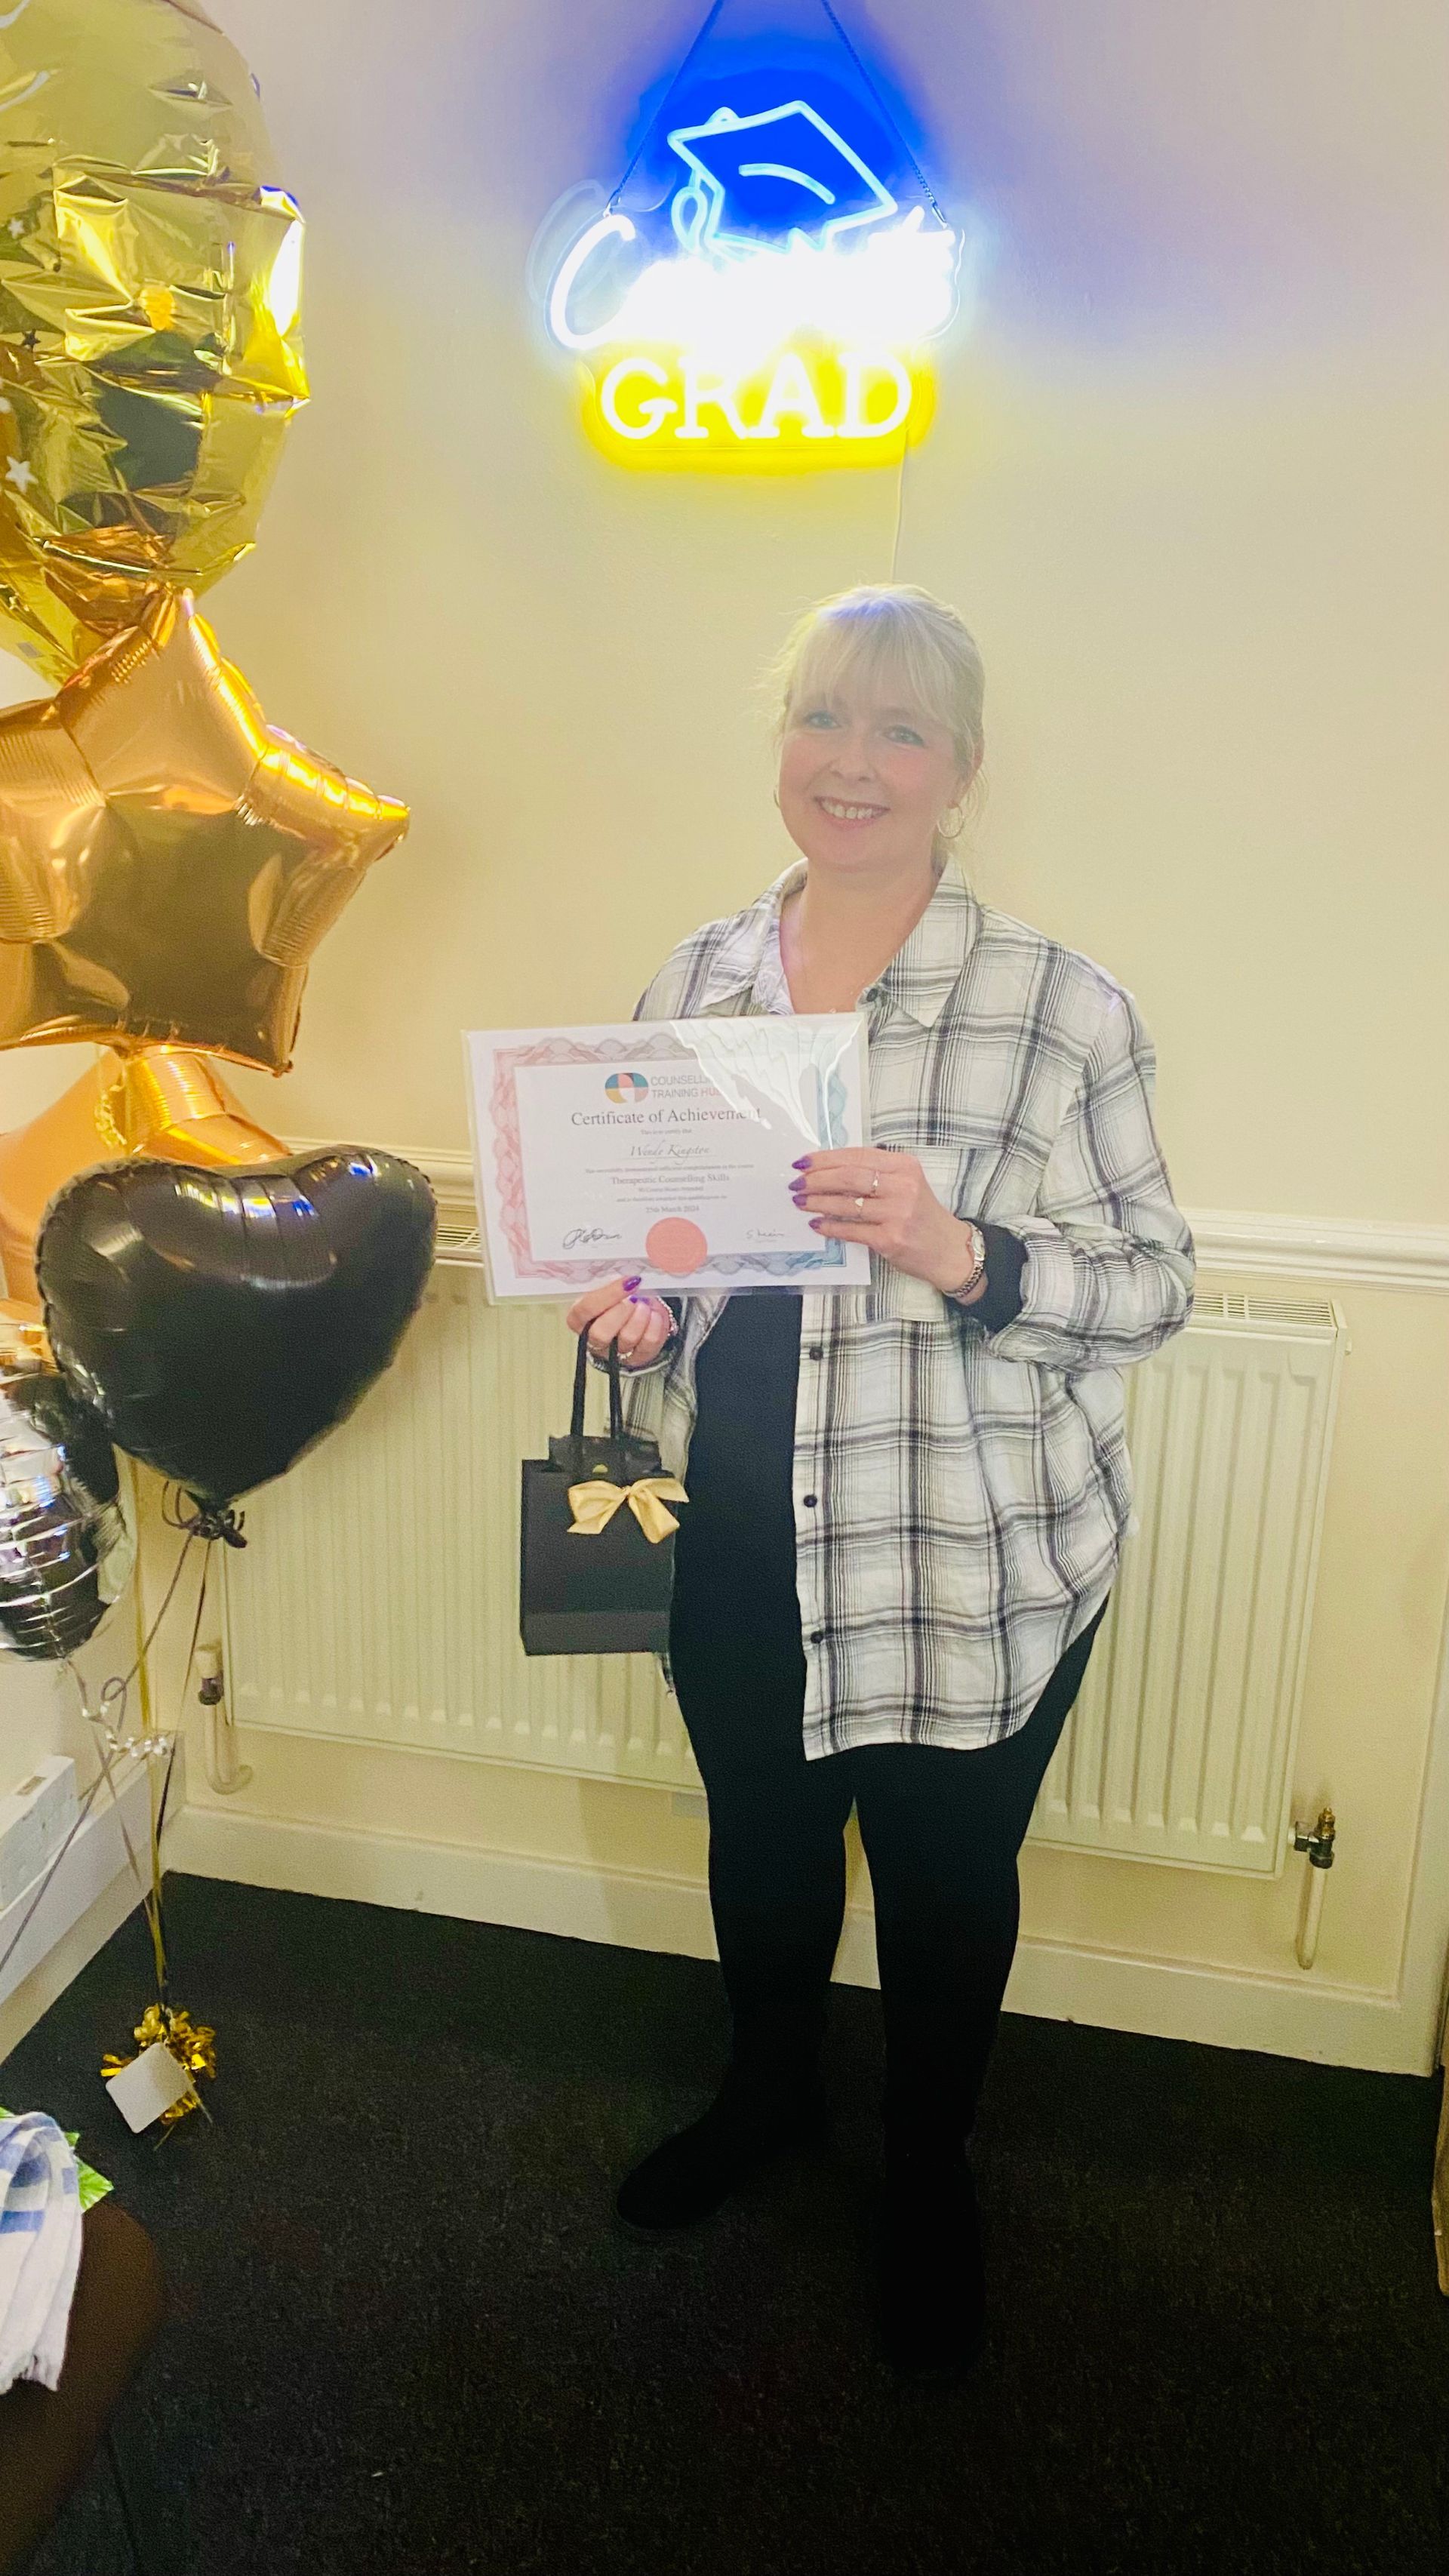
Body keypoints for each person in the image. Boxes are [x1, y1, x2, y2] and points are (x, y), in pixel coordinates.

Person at [566, 583, 1194, 2381]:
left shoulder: (1058, 1009)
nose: (854, 764)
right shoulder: (695, 980)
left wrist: (962, 1245)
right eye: (826, 721)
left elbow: (1153, 1287)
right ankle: (769, 2102)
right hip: (742, 1537)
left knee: (937, 1897)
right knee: (762, 1863)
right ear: (786, 744)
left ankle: (928, 2175)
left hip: (967, 1558)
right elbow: (662, 1246)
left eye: (900, 731)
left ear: (962, 771)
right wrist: (639, 1307)